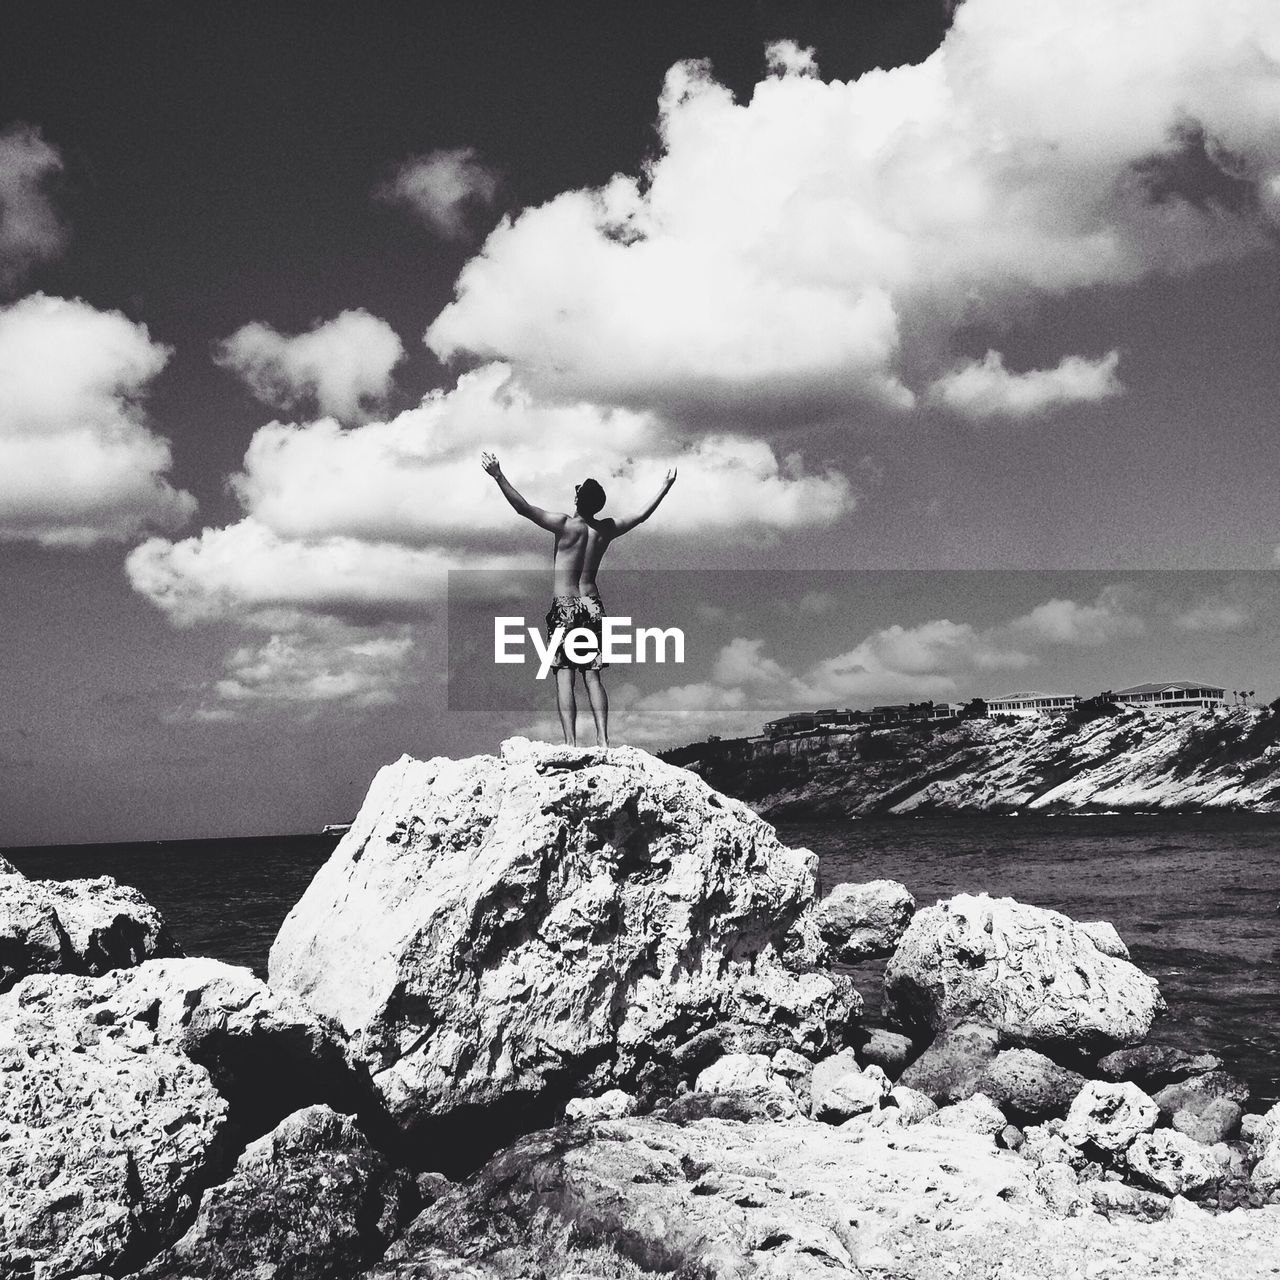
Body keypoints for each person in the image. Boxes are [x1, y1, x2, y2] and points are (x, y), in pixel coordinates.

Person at [480, 452, 676, 747]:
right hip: (593, 605)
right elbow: (641, 515)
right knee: (594, 677)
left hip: (566, 605)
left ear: (577, 500)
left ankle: (571, 743)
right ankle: (603, 741)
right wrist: (665, 486)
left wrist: (498, 475)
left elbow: (523, 508)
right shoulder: (605, 530)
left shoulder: (565, 525)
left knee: (564, 676)